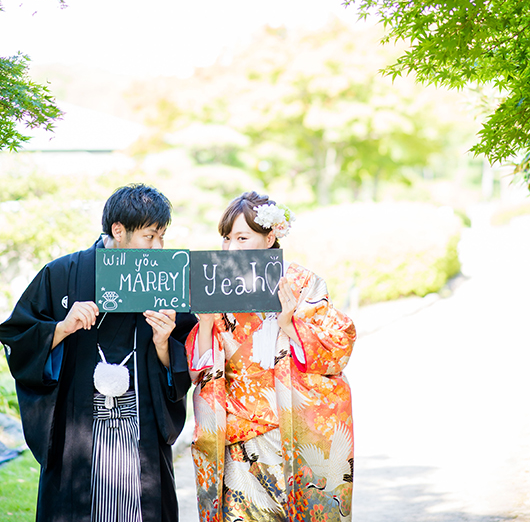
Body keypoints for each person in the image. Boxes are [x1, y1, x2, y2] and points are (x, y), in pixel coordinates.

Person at [0, 183, 197, 522]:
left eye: (162, 237)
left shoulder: (165, 280)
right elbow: (19, 338)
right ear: (118, 231)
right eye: (149, 237)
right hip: (78, 427)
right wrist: (63, 327)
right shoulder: (63, 273)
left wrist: (164, 342)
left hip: (142, 422)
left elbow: (184, 357)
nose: (158, 247)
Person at [186, 191, 356, 522]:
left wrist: (289, 323)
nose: (231, 248)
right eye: (226, 238)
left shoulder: (301, 283)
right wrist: (205, 323)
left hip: (291, 426)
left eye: (242, 238)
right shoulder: (217, 284)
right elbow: (199, 371)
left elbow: (339, 344)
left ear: (269, 238)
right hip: (235, 429)